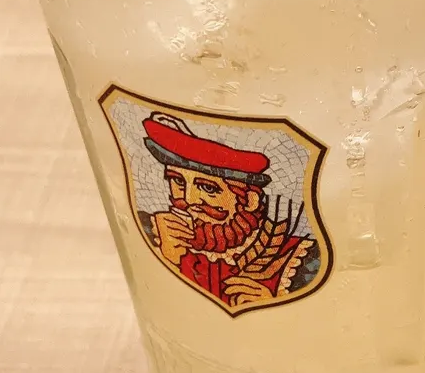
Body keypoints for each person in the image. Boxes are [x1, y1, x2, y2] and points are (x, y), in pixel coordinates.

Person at [137, 112, 320, 311]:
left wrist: (271, 303)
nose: (189, 199)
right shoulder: (149, 229)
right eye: (178, 181)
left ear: (250, 201)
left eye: (208, 188)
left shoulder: (303, 258)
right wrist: (168, 257)